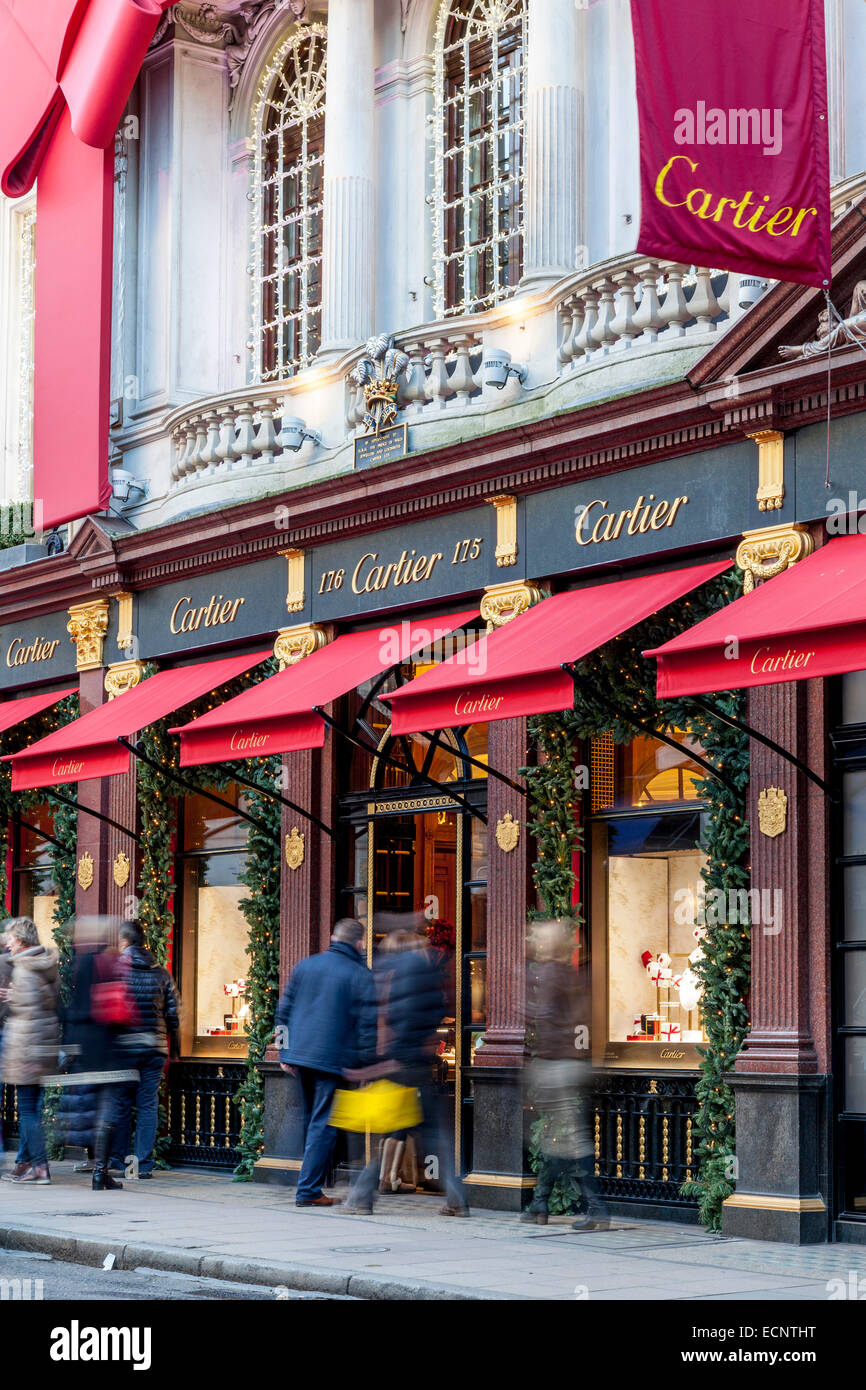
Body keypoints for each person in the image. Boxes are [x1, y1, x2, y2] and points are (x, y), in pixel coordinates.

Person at [343, 915, 470, 1218]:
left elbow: (372, 1018)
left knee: (394, 1128)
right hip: (416, 1061)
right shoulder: (423, 971)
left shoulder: (383, 972)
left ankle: (361, 1196)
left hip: (396, 1062)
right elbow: (439, 1009)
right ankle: (455, 1198)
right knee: (426, 1131)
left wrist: (367, 1062)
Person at [274, 918, 376, 1208]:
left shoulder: (305, 965)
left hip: (300, 1057)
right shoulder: (360, 974)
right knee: (323, 1124)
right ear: (360, 943)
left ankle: (300, 1181)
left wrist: (283, 1052)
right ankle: (307, 1191)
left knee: (310, 1120)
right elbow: (368, 1026)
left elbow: (284, 1010)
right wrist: (366, 1065)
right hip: (332, 1061)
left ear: (332, 937)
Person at [521, 919, 609, 1232]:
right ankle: (540, 1203)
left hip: (555, 1064)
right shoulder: (571, 973)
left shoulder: (547, 973)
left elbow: (544, 1015)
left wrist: (529, 1018)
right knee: (563, 1138)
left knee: (568, 1141)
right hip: (576, 1063)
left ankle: (594, 1208)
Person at [55, 918, 139, 1192]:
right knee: (107, 1110)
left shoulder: (83, 964)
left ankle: (97, 1169)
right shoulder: (111, 961)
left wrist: (69, 1045)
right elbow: (123, 1007)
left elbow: (77, 1009)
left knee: (92, 1107)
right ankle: (100, 1172)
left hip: (88, 1048)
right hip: (110, 1046)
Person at [109, 921, 181, 1179]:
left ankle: (120, 1162)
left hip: (126, 1048)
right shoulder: (161, 971)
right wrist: (173, 1047)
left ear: (124, 941)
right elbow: (174, 1012)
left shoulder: (118, 969)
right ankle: (143, 1166)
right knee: (148, 1105)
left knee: (122, 1104)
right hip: (155, 1047)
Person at [0, 917, 60, 1184]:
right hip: (45, 1045)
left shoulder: (23, 969)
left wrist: (12, 998)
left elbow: (25, 1011)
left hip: (26, 1047)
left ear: (21, 940)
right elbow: (50, 1003)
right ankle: (31, 1163)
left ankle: (39, 1167)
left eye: (11, 939)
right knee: (33, 1107)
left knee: (27, 1110)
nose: (8, 944)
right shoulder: (48, 965)